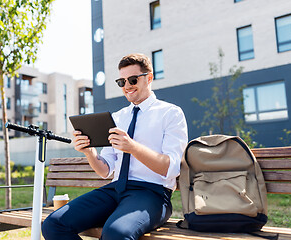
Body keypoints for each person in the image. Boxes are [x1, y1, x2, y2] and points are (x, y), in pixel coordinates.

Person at [42, 53, 188, 240]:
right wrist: (89, 152)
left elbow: (172, 167)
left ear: (149, 78)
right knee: (53, 224)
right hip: (114, 189)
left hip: (153, 193)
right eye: (122, 82)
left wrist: (133, 147)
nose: (127, 86)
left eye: (133, 80)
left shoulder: (170, 114)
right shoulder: (118, 118)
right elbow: (105, 170)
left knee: (115, 234)